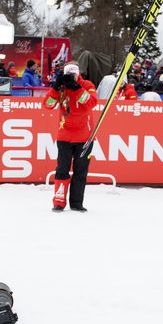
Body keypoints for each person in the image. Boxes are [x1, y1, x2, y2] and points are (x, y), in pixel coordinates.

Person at [43, 61, 97, 212]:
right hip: (64, 135)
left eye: (74, 74)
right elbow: (48, 104)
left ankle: (77, 203)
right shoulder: (61, 87)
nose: (71, 77)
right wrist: (55, 88)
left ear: (78, 73)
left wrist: (77, 88)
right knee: (62, 169)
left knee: (81, 171)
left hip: (85, 136)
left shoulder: (86, 84)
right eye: (69, 74)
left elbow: (92, 103)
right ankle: (59, 202)